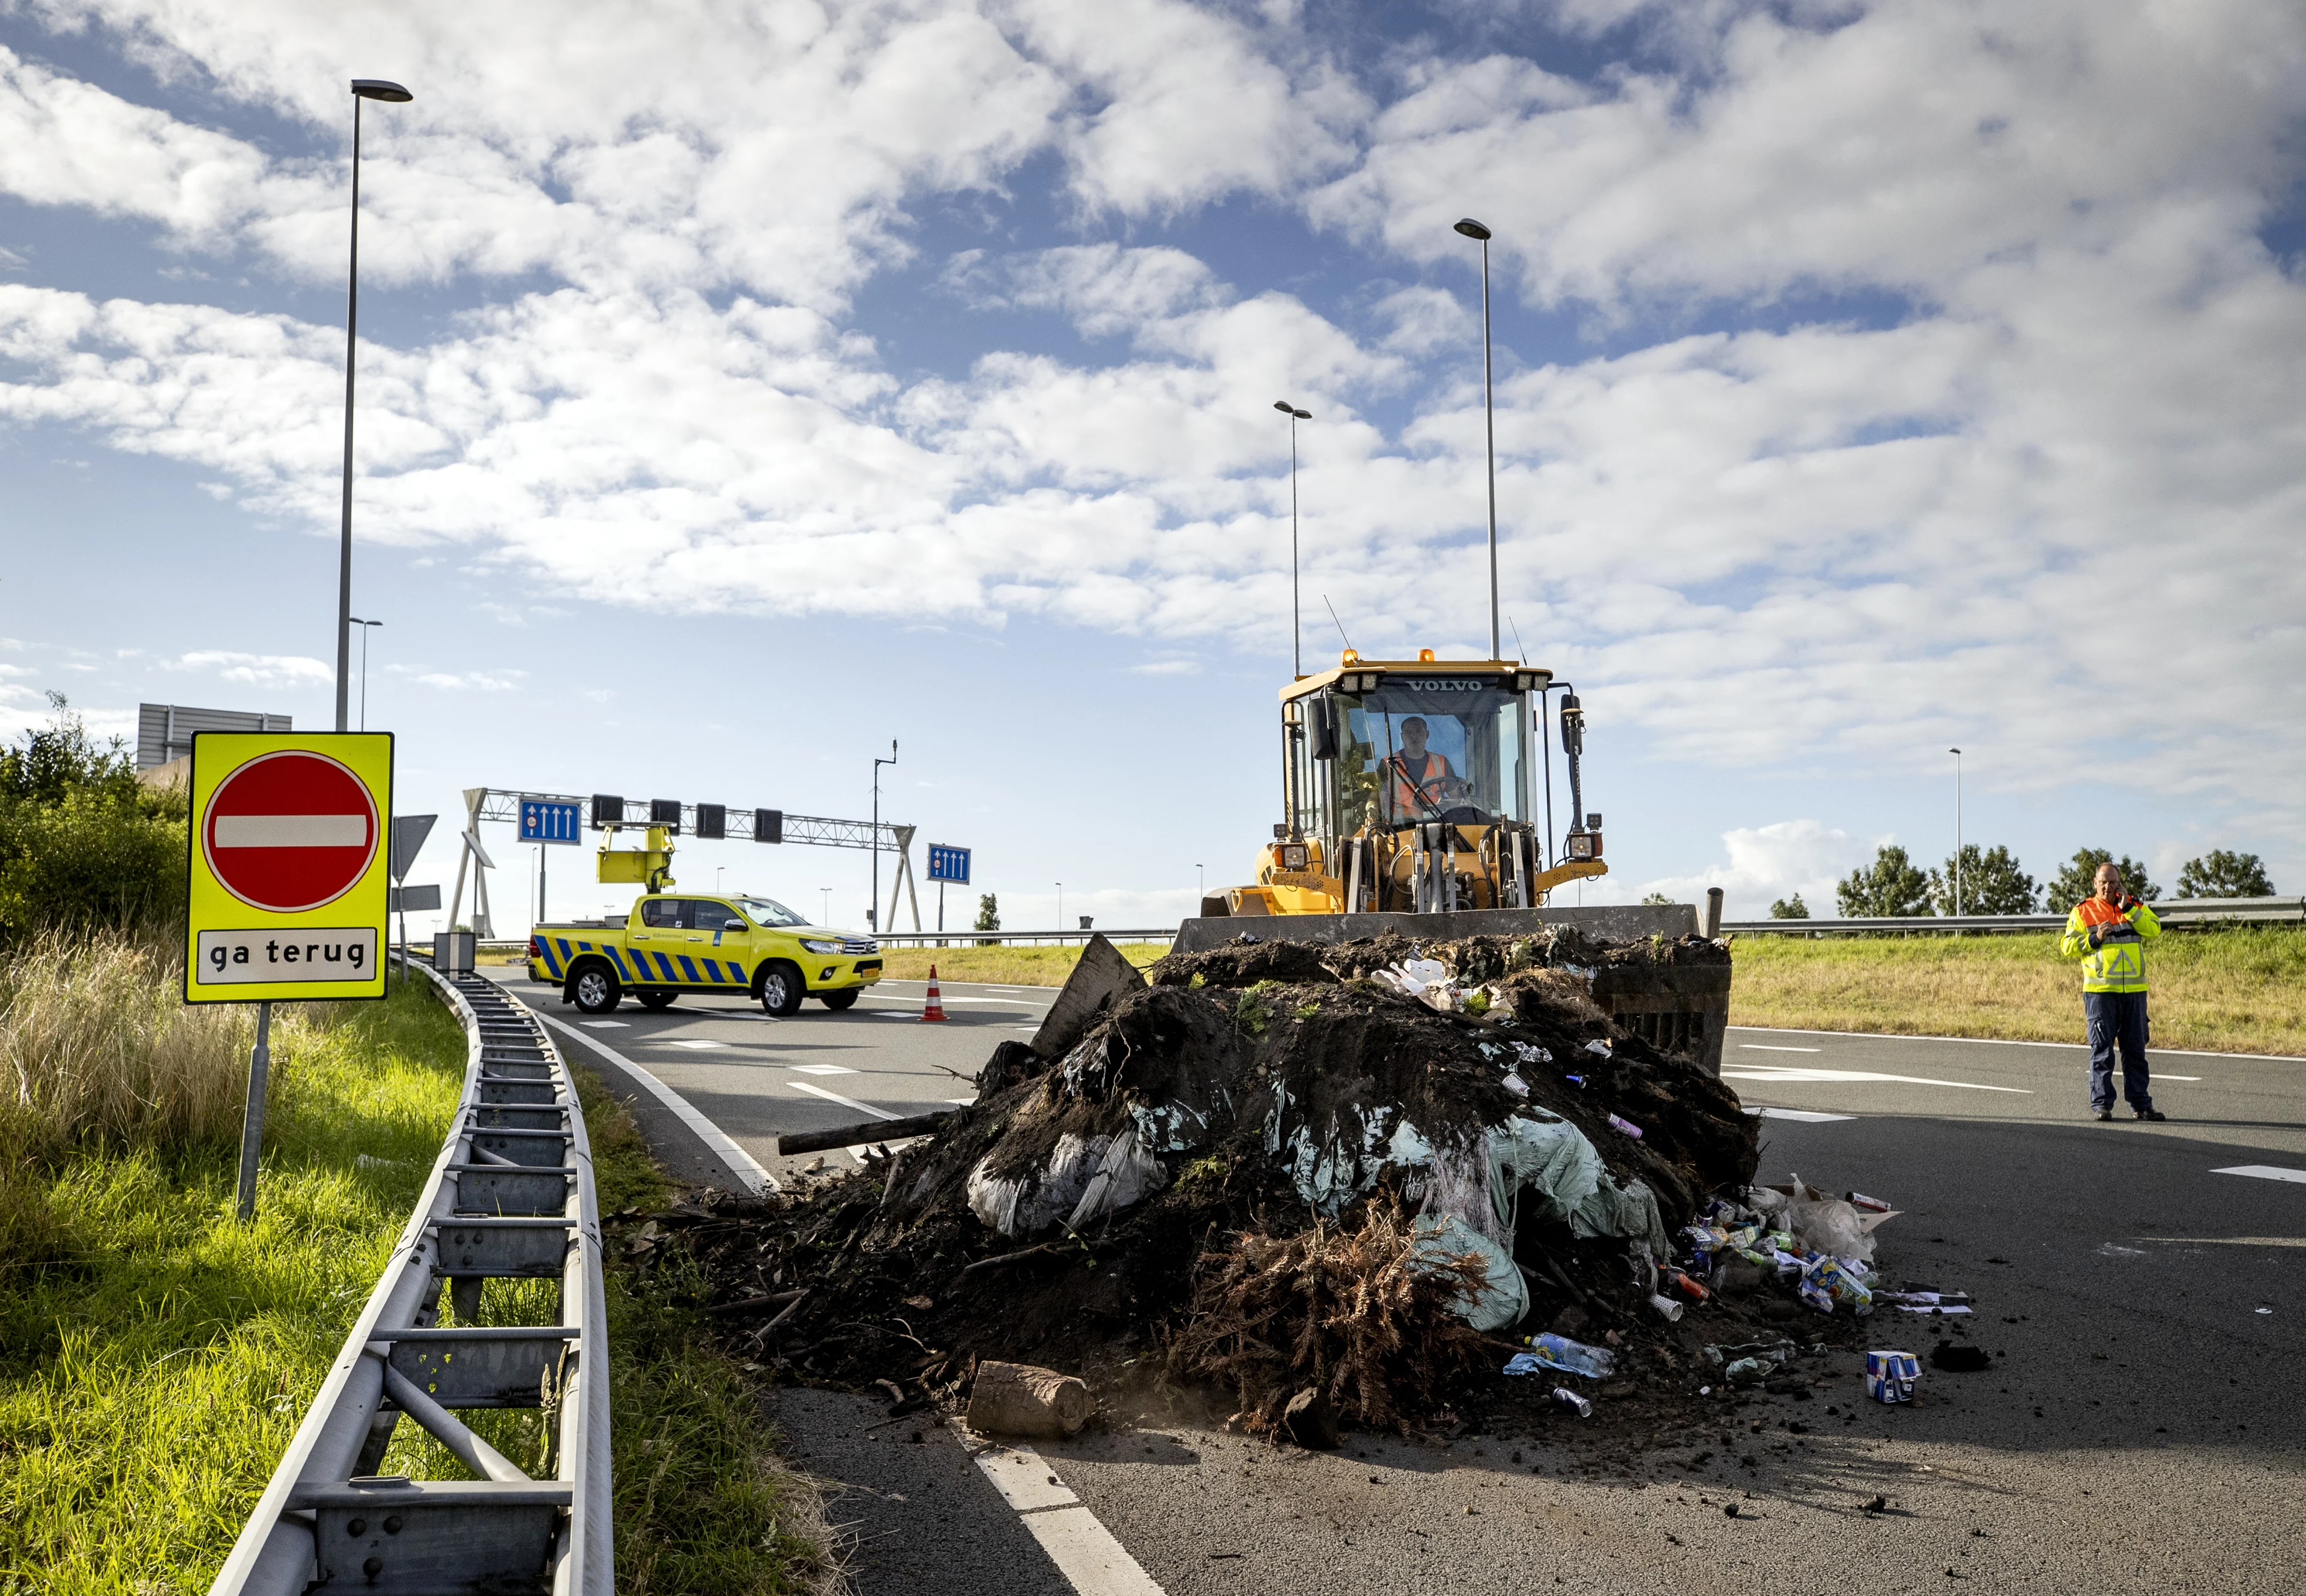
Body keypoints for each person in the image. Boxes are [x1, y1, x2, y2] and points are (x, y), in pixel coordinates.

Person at [2059, 862, 2165, 1122]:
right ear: (2095, 883)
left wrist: (2129, 909)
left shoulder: (2133, 906)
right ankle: (2102, 1106)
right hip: (2101, 992)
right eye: (2103, 882)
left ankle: (2141, 1105)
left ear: (2120, 884)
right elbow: (2067, 946)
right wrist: (2094, 939)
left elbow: (2154, 929)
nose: (2108, 887)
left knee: (2136, 1051)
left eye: (2113, 882)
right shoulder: (2083, 911)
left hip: (2134, 992)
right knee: (2102, 1051)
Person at [1382, 717, 1459, 821]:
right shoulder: (1387, 764)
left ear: (1427, 734)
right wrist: (1371, 806)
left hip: (1437, 825)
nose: (1414, 736)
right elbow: (1376, 799)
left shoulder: (1442, 763)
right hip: (1399, 827)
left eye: (1419, 732)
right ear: (1402, 736)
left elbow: (1457, 798)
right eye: (1409, 733)